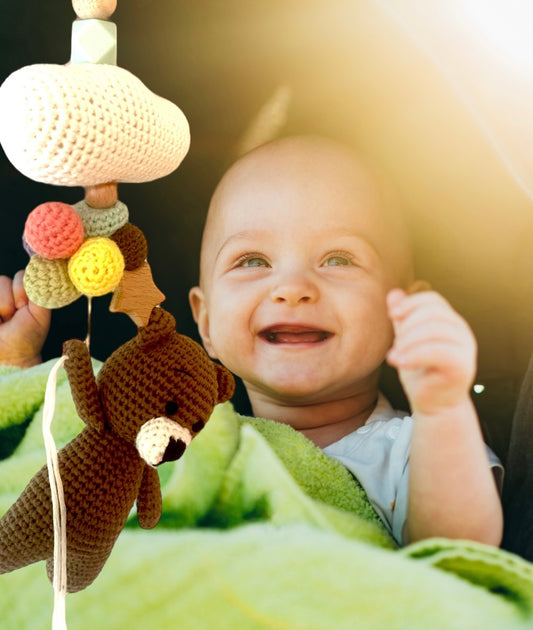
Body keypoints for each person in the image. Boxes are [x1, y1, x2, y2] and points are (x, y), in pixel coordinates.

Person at [0, 136, 503, 547]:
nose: (292, 289)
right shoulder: (175, 430)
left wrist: (443, 406)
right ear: (207, 321)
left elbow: (459, 556)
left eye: (339, 259)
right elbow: (62, 487)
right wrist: (19, 370)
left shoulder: (422, 447)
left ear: (405, 311)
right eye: (253, 261)